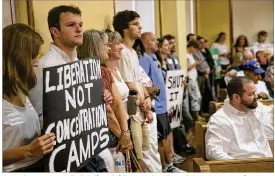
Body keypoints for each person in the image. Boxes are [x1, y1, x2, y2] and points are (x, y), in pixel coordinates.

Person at [28, 5, 112, 172]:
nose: (79, 29)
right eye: (71, 25)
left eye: (80, 24)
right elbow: (37, 116)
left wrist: (100, 97)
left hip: (89, 146)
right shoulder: (45, 68)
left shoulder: (80, 62)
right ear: (55, 31)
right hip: (66, 155)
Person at [77, 29, 133, 172]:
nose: (108, 48)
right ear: (95, 47)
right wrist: (123, 136)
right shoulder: (86, 74)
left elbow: (118, 104)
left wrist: (125, 133)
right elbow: (107, 112)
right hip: (102, 138)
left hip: (117, 134)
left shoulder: (105, 71)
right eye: (106, 44)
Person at [3, 23, 55, 172]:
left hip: (39, 166)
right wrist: (28, 151)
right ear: (19, 57)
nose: (37, 61)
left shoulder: (22, 89)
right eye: (33, 56)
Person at [140, 32, 185, 172]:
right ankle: (166, 167)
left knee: (165, 136)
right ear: (145, 44)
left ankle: (169, 164)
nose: (157, 42)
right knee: (161, 139)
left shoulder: (154, 57)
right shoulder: (144, 59)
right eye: (153, 40)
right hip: (156, 106)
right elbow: (143, 83)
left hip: (163, 105)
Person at [113, 10, 152, 171]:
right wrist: (143, 102)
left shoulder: (133, 52)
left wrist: (148, 98)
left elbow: (139, 79)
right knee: (135, 158)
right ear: (124, 28)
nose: (140, 27)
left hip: (141, 107)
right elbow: (128, 83)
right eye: (135, 24)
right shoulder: (120, 51)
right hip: (130, 110)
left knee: (142, 151)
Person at [206, 76, 273, 160]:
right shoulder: (220, 119)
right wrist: (237, 167)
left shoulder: (257, 107)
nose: (256, 96)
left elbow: (271, 110)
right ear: (236, 97)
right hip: (246, 167)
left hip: (269, 163)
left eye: (255, 92)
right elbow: (213, 152)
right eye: (251, 94)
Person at [163, 34, 196, 156]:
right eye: (170, 43)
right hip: (171, 96)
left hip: (180, 93)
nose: (173, 45)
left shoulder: (175, 58)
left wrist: (184, 80)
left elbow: (179, 73)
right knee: (178, 121)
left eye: (173, 42)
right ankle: (182, 145)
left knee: (188, 119)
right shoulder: (164, 60)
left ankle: (181, 142)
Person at [186, 40, 202, 122]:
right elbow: (186, 68)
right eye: (195, 49)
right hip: (191, 79)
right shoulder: (187, 56)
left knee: (198, 97)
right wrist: (195, 64)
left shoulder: (191, 55)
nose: (195, 51)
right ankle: (196, 116)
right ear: (191, 47)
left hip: (194, 79)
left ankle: (197, 114)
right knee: (195, 97)